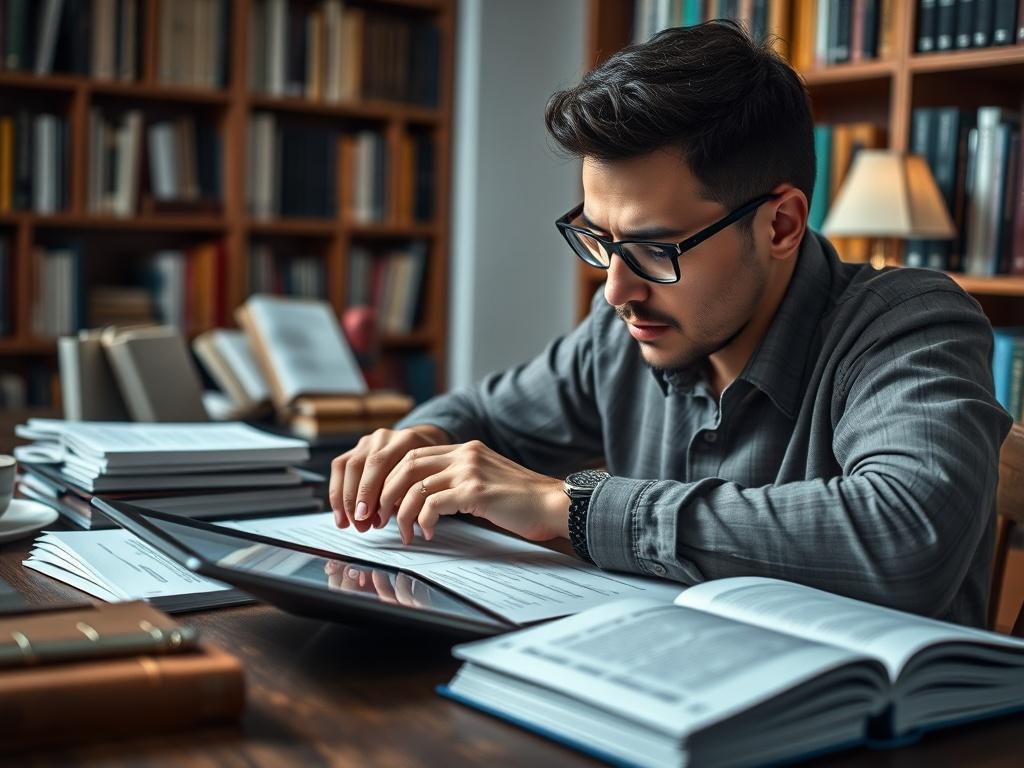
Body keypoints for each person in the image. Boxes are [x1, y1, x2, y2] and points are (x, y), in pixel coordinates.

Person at [328, 21, 1010, 627]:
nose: (615, 290)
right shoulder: (621, 334)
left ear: (780, 225)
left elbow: (907, 535)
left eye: (655, 249)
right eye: (600, 240)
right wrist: (419, 445)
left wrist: (571, 506)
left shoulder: (909, 323)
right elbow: (478, 416)